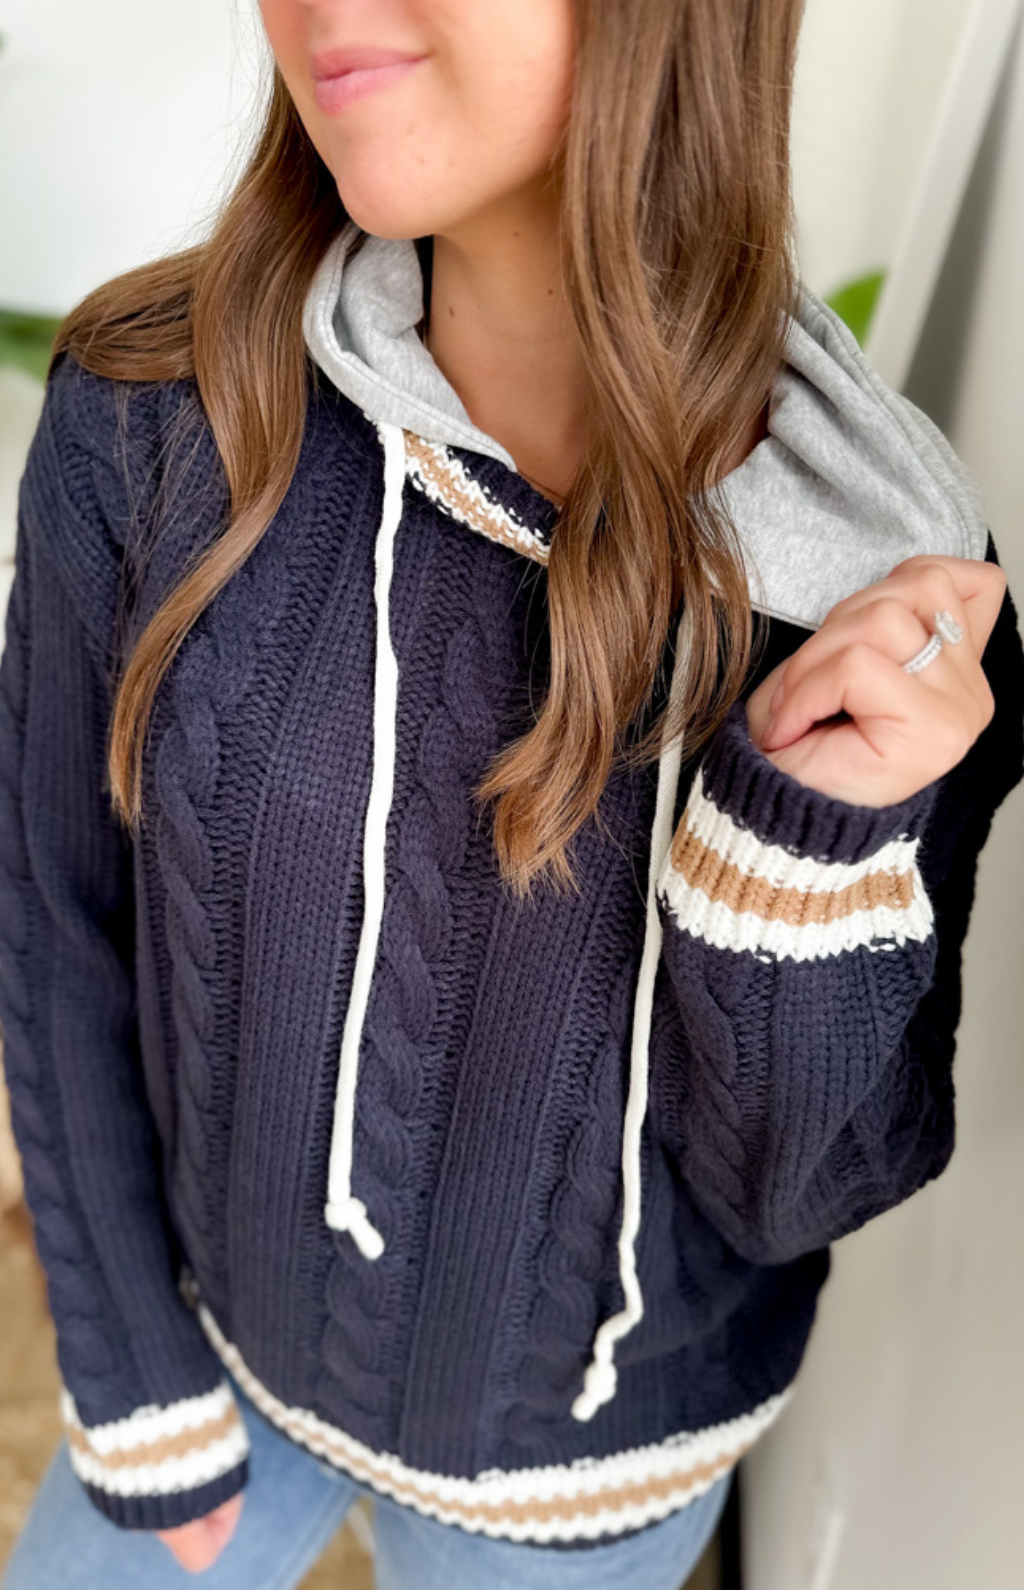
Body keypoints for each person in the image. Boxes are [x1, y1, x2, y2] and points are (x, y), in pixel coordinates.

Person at [1, 0, 1022, 1585]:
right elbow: (52, 915)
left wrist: (798, 847)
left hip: (585, 1493)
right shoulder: (149, 414)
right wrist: (131, 1366)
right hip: (208, 1352)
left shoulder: (884, 593)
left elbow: (800, 1195)